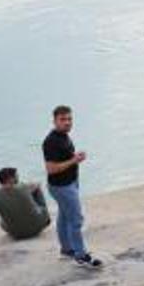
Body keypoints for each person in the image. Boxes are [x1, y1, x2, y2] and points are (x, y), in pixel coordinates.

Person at [42, 106, 103, 269]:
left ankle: (67, 249)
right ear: (54, 121)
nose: (67, 123)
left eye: (69, 119)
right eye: (63, 120)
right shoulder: (51, 142)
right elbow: (51, 168)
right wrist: (74, 161)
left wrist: (75, 160)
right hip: (61, 187)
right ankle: (81, 256)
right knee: (76, 220)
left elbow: (65, 160)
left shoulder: (63, 136)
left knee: (64, 217)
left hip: (69, 183)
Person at [0, 167, 51, 253]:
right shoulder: (23, 186)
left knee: (0, 220)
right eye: (16, 176)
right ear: (11, 179)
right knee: (37, 190)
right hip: (38, 227)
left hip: (16, 234)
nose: (18, 178)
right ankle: (47, 219)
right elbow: (37, 184)